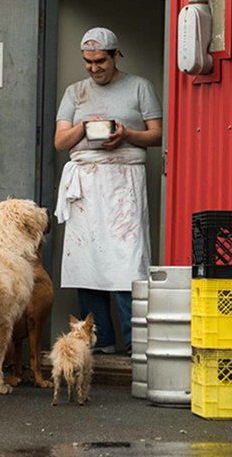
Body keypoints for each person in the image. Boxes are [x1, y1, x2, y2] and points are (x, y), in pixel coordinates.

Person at [54, 26, 163, 354]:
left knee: (128, 261)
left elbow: (157, 135)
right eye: (88, 62)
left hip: (123, 181)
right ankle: (99, 341)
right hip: (86, 180)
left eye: (100, 60)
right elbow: (61, 142)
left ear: (116, 56)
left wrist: (126, 134)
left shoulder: (140, 87)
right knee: (86, 261)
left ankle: (135, 342)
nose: (94, 68)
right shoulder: (75, 92)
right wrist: (84, 127)